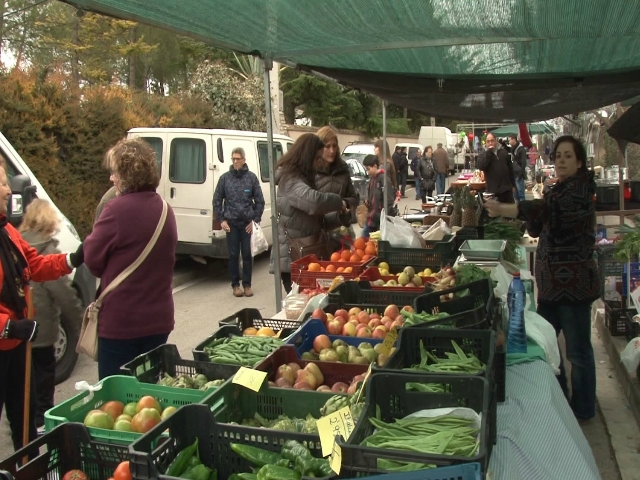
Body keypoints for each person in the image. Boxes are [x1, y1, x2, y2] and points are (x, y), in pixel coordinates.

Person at [484, 135, 600, 422]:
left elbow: (546, 211)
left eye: (568, 156)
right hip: (552, 286)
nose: (561, 160)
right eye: (558, 155)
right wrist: (532, 218)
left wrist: (504, 209)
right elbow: (539, 227)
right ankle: (561, 402)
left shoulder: (579, 192)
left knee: (577, 351)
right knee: (548, 345)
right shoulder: (558, 189)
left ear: (580, 162)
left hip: (573, 285)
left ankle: (584, 409)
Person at [0, 165, 83, 452]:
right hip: (7, 339)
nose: (9, 190)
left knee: (24, 418)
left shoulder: (9, 231)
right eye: (2, 184)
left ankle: (29, 465)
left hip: (19, 344)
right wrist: (7, 326)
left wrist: (72, 259)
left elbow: (34, 265)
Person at [84, 138, 178, 380]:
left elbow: (93, 262)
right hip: (159, 322)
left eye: (115, 172)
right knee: (149, 393)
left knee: (117, 398)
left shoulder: (114, 211)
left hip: (122, 325)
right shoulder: (166, 210)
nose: (111, 179)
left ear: (126, 175)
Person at [18, 199, 84, 431]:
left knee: (22, 379)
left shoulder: (16, 245)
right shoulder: (48, 251)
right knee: (44, 377)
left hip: (19, 330)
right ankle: (40, 422)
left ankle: (23, 421)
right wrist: (81, 327)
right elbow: (64, 296)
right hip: (43, 331)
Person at [273, 133, 347, 293]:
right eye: (317, 158)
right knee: (302, 306)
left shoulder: (303, 179)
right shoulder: (290, 181)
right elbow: (314, 202)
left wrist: (340, 216)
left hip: (306, 255)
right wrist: (338, 201)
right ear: (307, 157)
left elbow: (315, 220)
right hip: (294, 258)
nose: (319, 163)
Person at [213, 147, 265, 298]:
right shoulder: (225, 179)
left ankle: (247, 285)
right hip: (232, 224)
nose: (235, 162)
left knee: (248, 254)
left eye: (238, 159)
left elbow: (260, 201)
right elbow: (217, 200)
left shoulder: (251, 178)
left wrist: (255, 220)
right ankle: (235, 285)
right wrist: (221, 219)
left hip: (247, 224)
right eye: (233, 159)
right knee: (234, 255)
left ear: (244, 160)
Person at [315, 126, 358, 250]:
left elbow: (354, 198)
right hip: (320, 231)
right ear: (318, 148)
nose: (332, 151)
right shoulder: (311, 170)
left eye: (334, 146)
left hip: (342, 230)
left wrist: (344, 203)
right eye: (327, 146)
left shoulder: (342, 168)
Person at [362, 154, 396, 236]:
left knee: (365, 240)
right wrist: (367, 203)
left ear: (375, 166)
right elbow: (372, 197)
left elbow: (389, 200)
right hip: (371, 218)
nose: (367, 172)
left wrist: (385, 218)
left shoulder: (384, 179)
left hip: (379, 220)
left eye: (368, 169)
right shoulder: (372, 179)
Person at [476, 132, 515, 203]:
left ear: (496, 141)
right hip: (493, 191)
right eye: (488, 141)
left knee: (509, 212)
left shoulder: (503, 152)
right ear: (486, 143)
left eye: (492, 141)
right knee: (495, 213)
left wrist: (513, 185)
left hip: (506, 190)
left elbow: (510, 169)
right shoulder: (483, 154)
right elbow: (481, 166)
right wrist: (489, 153)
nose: (490, 143)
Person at [509, 134, 528, 202]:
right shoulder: (513, 149)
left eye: (510, 140)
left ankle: (523, 210)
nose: (509, 142)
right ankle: (518, 210)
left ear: (514, 139)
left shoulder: (521, 149)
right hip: (514, 174)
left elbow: (523, 163)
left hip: (518, 175)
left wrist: (520, 174)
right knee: (516, 195)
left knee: (521, 195)